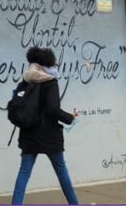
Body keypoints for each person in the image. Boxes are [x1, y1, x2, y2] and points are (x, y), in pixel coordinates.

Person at [11, 47, 79, 205]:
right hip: (49, 135)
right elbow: (53, 109)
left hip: (28, 134)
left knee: (24, 173)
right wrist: (70, 117)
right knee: (61, 171)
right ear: (48, 64)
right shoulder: (50, 82)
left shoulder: (26, 81)